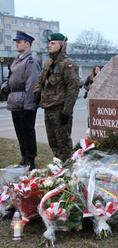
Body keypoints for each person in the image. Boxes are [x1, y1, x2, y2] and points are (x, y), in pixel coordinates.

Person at [34, 33, 80, 162]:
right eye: (49, 43)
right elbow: (40, 79)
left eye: (53, 43)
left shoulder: (68, 65)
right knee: (52, 141)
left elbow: (73, 89)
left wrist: (66, 111)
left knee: (63, 143)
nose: (50, 45)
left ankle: (67, 169)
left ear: (63, 45)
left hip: (60, 109)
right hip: (48, 108)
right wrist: (36, 92)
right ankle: (57, 166)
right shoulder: (49, 63)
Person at [0, 31, 41, 170]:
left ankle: (31, 160)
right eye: (16, 42)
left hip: (25, 102)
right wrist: (5, 87)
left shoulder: (31, 61)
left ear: (27, 44)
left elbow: (32, 84)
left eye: (19, 42)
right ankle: (24, 158)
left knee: (28, 132)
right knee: (20, 133)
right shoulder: (17, 60)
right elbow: (11, 79)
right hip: (15, 101)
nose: (16, 44)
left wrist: (29, 104)